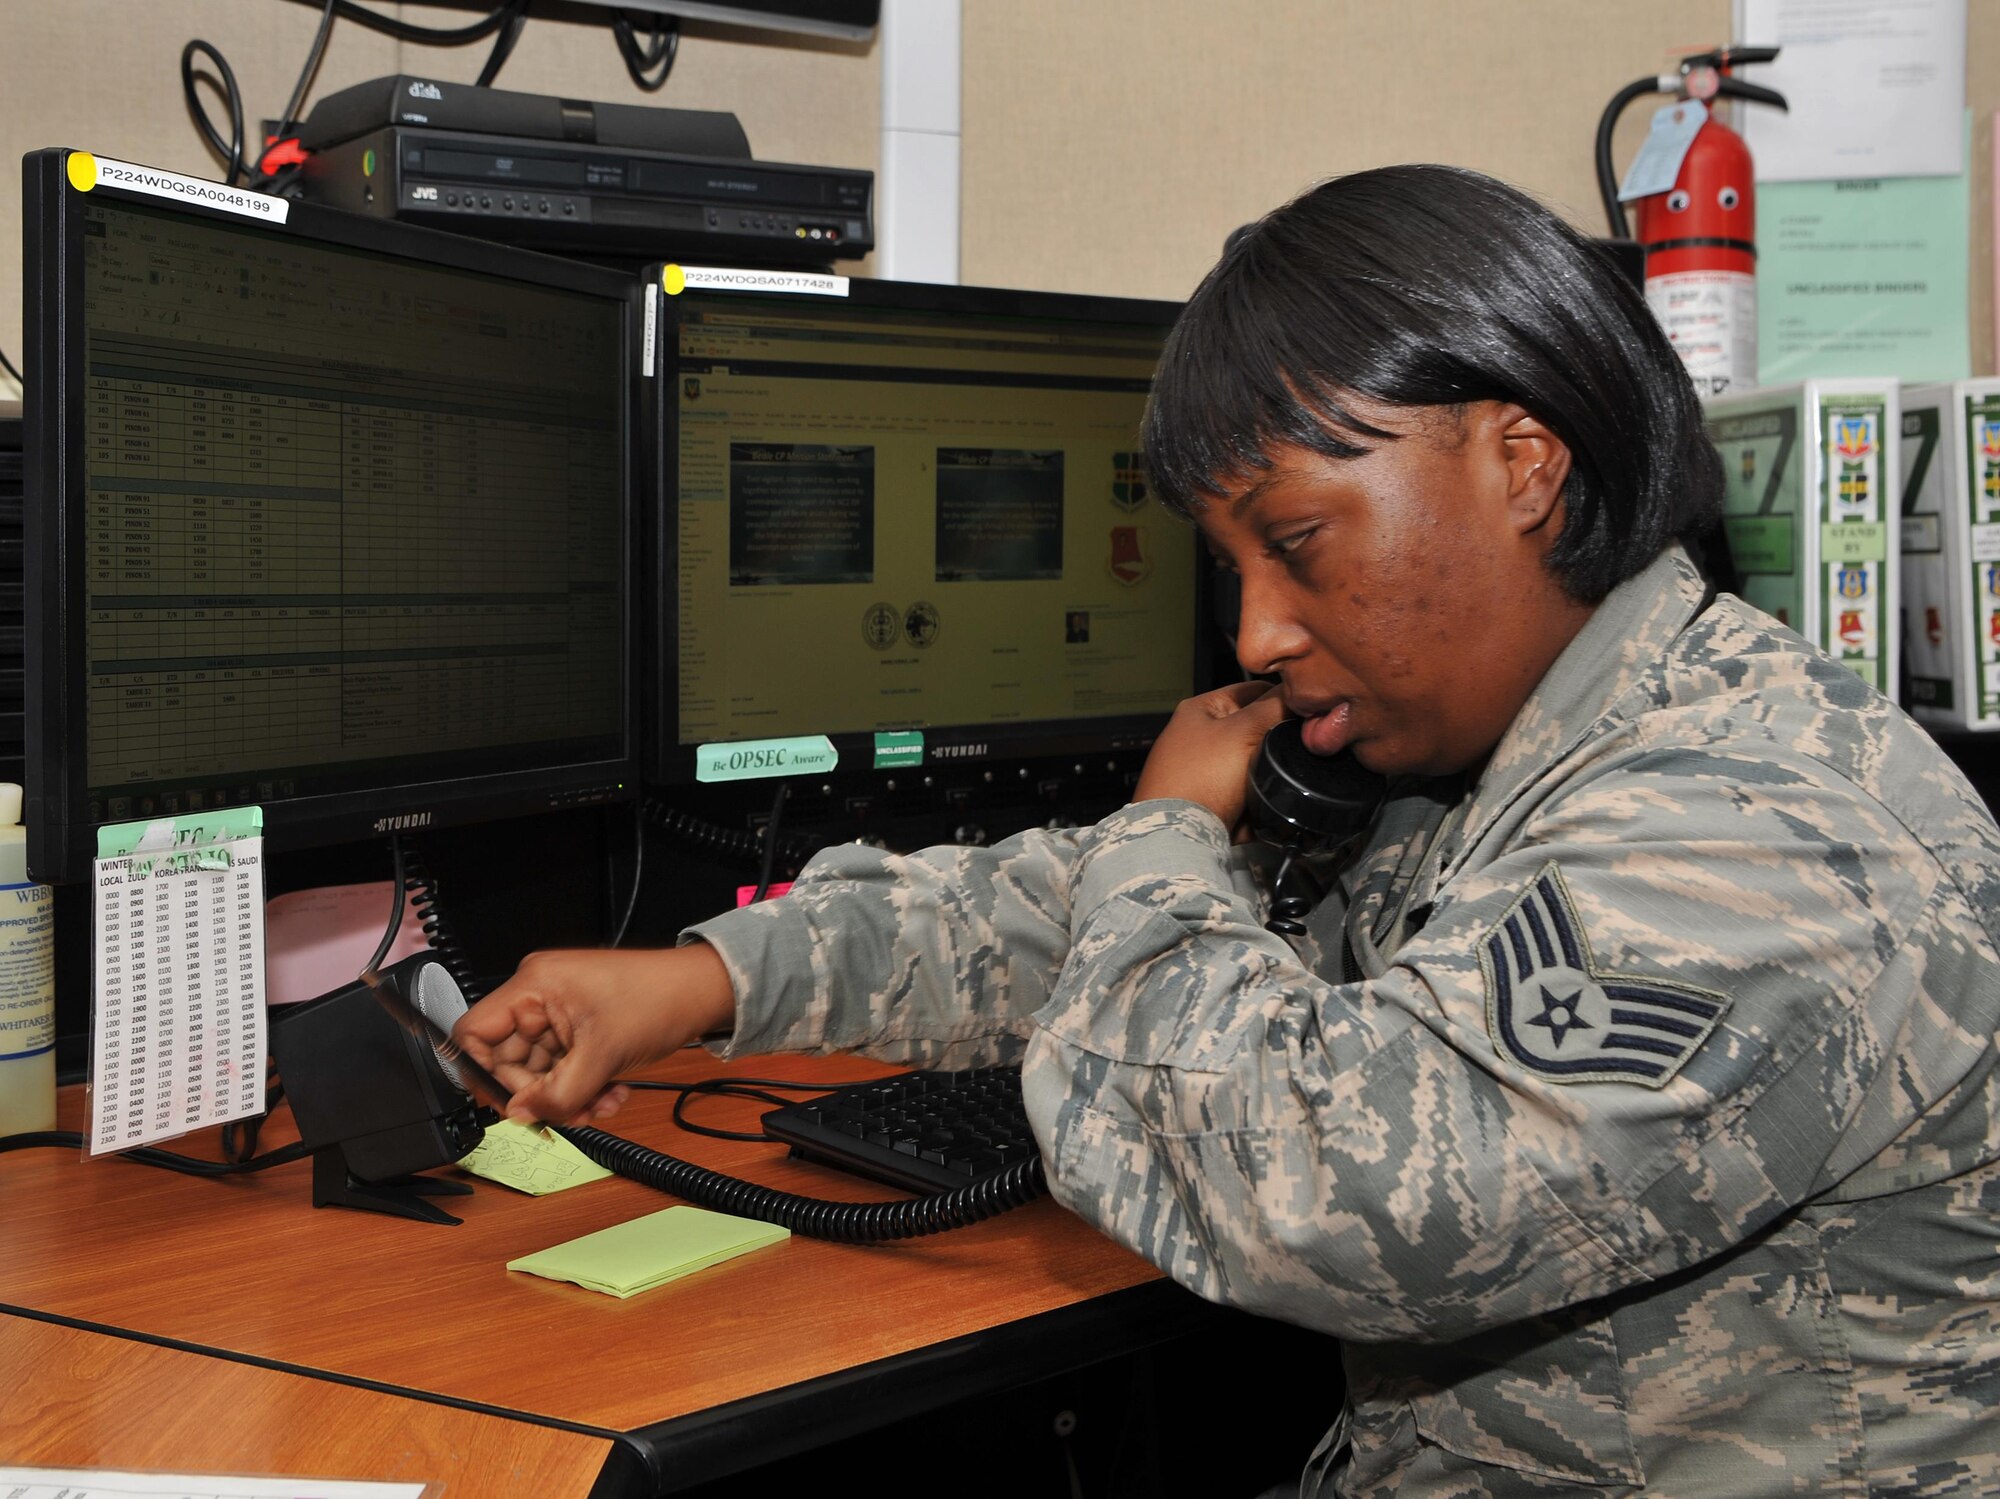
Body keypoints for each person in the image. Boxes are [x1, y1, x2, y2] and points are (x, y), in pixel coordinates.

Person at [454, 165, 2000, 1497]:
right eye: (1232, 566)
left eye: (1299, 542)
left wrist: (1165, 832)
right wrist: (704, 982)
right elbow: (1077, 911)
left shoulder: (1758, 827)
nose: (1256, 629)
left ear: (1524, 462)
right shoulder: (1501, 753)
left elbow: (1315, 1191)